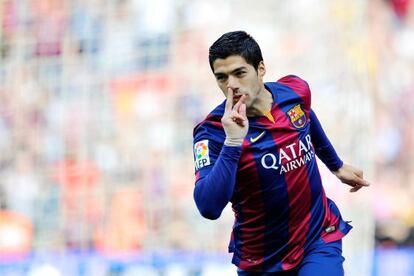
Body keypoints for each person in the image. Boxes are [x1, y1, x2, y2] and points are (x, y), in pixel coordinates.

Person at [192, 31, 370, 275]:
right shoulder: (211, 133)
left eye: (239, 73)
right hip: (262, 260)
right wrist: (233, 141)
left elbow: (305, 117)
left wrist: (335, 165)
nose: (231, 84)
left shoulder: (294, 92)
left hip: (317, 237)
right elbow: (208, 207)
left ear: (261, 68)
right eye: (221, 77)